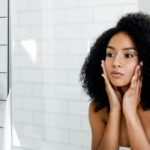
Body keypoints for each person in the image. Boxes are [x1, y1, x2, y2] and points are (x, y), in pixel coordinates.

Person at [79, 12, 150, 150]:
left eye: (128, 55)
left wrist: (130, 111)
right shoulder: (98, 108)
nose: (115, 62)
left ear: (145, 61)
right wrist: (115, 111)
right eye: (110, 54)